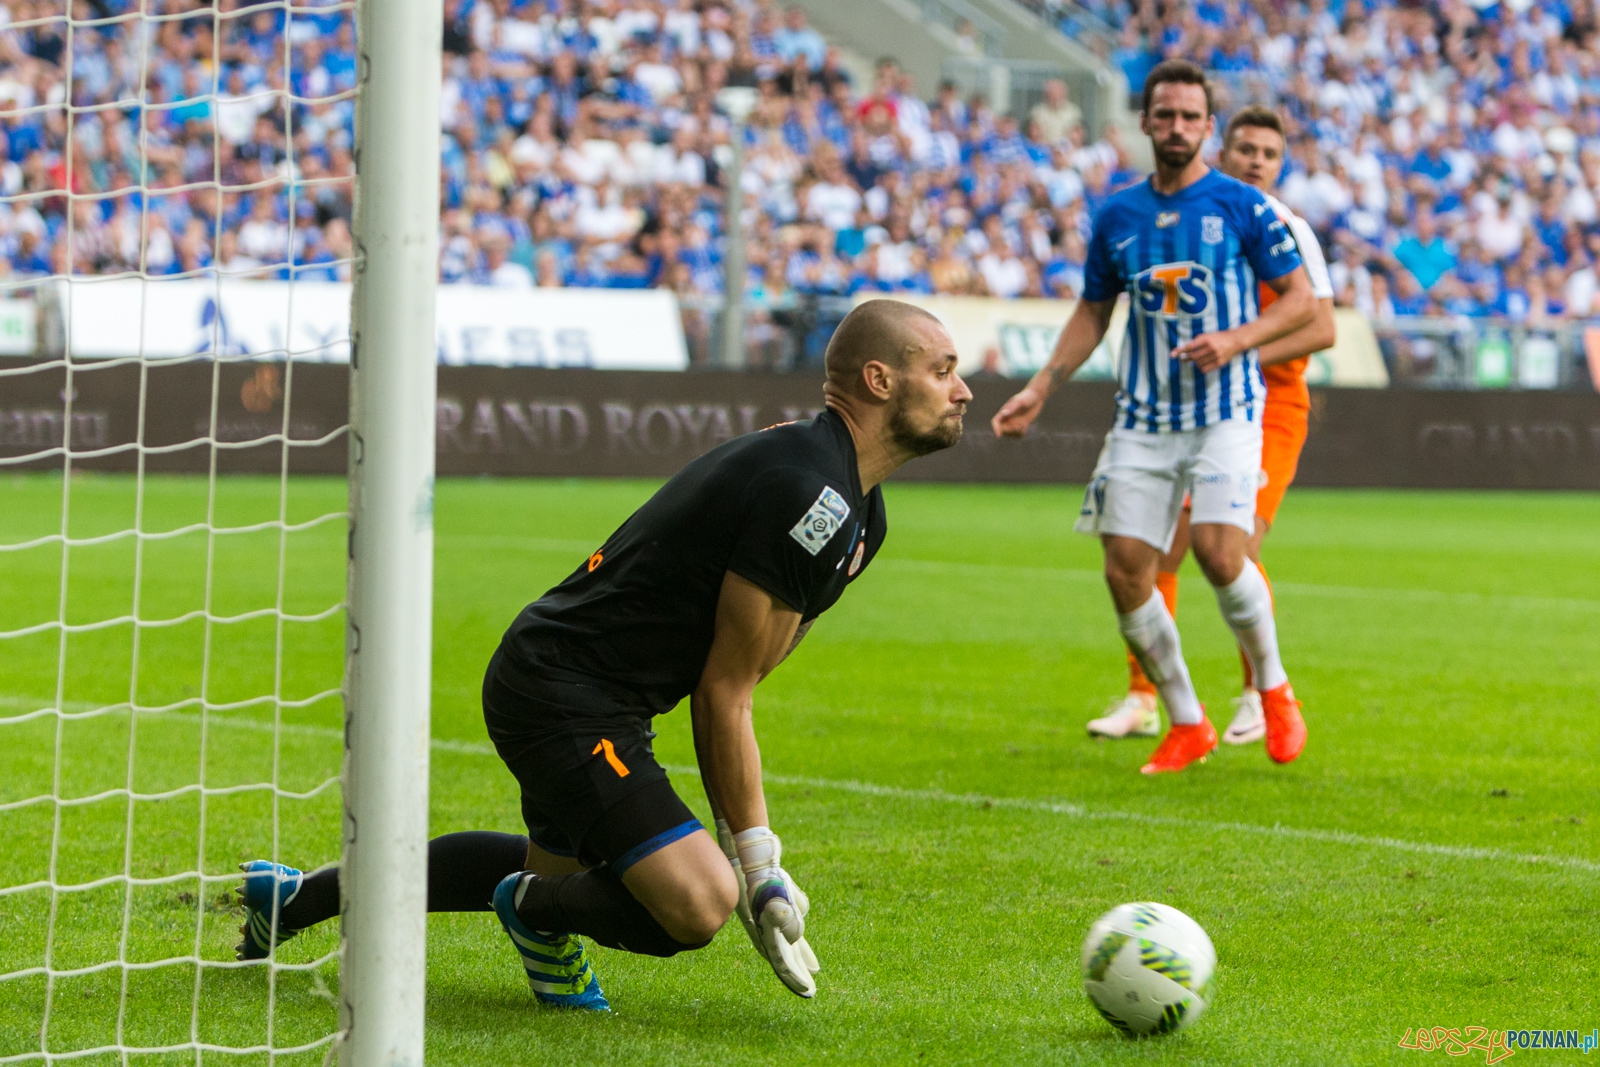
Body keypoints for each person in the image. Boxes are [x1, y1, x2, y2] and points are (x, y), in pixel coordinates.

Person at [234, 300, 973, 1008]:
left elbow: (744, 670)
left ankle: (299, 897)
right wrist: (756, 863)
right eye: (942, 370)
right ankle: (534, 915)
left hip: (590, 690)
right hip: (561, 690)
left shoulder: (858, 516)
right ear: (880, 379)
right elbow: (726, 691)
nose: (962, 390)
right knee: (698, 900)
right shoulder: (807, 487)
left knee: (564, 867)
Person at [991, 61, 1316, 774]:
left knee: (1221, 551)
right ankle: (1187, 719)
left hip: (1228, 409)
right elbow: (1092, 309)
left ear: (1207, 127)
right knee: (1125, 570)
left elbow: (1302, 303)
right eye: (1164, 115)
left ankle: (1273, 686)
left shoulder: (1244, 206)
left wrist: (1234, 339)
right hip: (1141, 419)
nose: (1176, 127)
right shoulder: (1116, 214)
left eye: (1189, 117)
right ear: (1145, 121)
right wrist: (1042, 386)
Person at [1087, 105, 1337, 746]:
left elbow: (1322, 327)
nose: (1256, 161)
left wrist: (1235, 349)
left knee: (1234, 548)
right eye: (1245, 149)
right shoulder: (1195, 220)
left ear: (1281, 165)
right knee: (1157, 551)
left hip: (1269, 404)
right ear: (1220, 152)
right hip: (1188, 403)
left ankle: (1260, 694)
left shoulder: (1288, 228)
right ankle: (1146, 697)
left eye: (1269, 154)